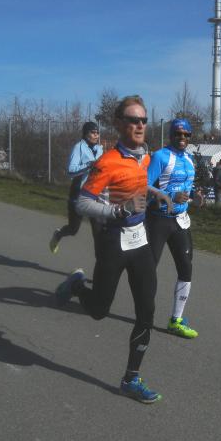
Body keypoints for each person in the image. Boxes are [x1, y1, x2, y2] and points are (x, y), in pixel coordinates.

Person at [54, 95, 172, 404]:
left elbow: (136, 183)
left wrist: (157, 193)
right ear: (119, 124)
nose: (140, 125)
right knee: (98, 311)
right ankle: (77, 285)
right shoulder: (106, 162)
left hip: (140, 240)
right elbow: (82, 202)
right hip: (113, 241)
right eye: (133, 120)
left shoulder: (145, 157)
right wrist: (117, 211)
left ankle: (131, 379)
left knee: (147, 310)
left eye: (144, 120)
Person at [146, 118, 200, 339]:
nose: (182, 138)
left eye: (186, 135)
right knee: (147, 270)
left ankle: (175, 320)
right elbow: (143, 187)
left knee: (186, 269)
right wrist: (169, 196)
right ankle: (144, 313)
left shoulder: (189, 159)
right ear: (171, 135)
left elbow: (188, 187)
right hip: (158, 220)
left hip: (180, 220)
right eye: (178, 134)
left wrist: (195, 195)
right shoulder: (160, 156)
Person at [49, 121, 103, 254]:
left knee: (98, 232)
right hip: (79, 194)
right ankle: (58, 234)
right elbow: (71, 170)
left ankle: (101, 262)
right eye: (93, 133)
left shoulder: (100, 149)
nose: (96, 135)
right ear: (85, 134)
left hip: (95, 195)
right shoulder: (78, 148)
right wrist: (89, 165)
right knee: (73, 229)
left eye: (97, 133)